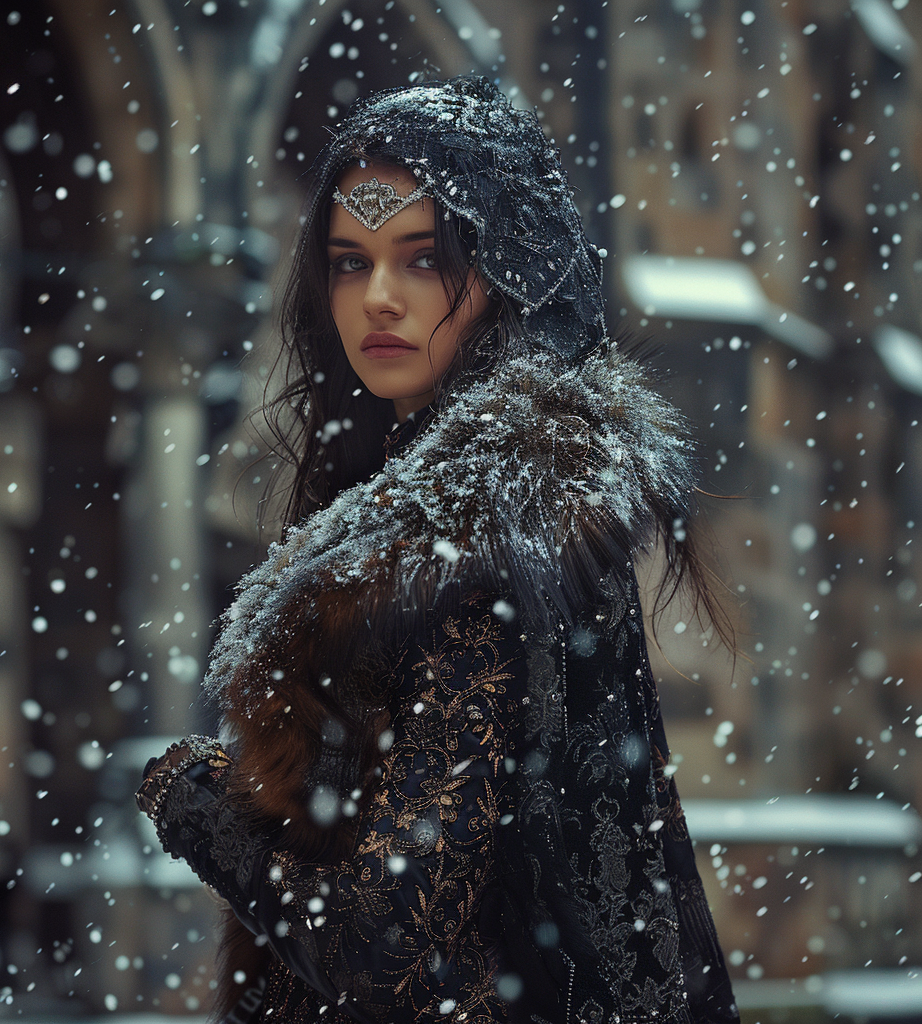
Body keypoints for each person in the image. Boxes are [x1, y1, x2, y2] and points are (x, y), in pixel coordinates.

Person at [136, 74, 740, 1024]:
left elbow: (384, 944)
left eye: (421, 260)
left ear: (504, 269)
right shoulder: (412, 512)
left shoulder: (481, 546)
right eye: (348, 261)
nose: (377, 298)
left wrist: (193, 802)